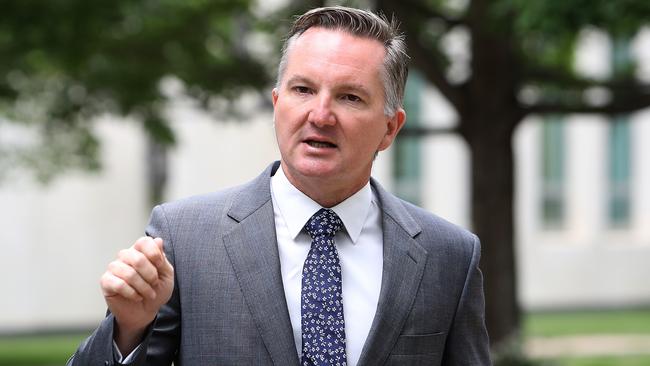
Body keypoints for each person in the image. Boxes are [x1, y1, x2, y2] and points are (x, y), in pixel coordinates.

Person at [68, 6, 490, 366]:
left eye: (350, 97)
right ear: (277, 105)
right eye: (303, 90)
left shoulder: (448, 256)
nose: (320, 115)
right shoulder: (184, 238)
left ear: (389, 129)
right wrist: (129, 329)